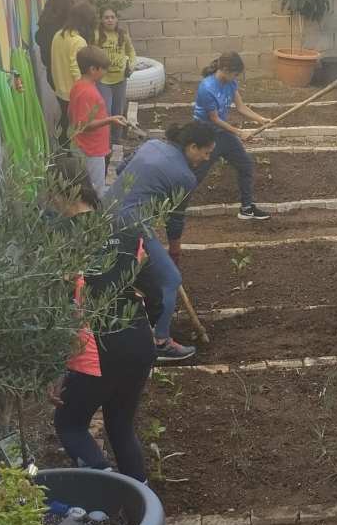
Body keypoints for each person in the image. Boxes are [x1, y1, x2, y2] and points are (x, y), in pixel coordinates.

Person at [49, 154, 162, 482]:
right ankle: (141, 509)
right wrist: (144, 326)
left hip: (97, 349)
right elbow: (155, 292)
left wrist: (55, 368)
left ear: (57, 192)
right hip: (138, 342)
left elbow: (57, 310)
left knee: (69, 424)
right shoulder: (124, 228)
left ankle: (106, 490)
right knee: (121, 426)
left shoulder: (60, 241)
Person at [104, 120, 216, 362]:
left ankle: (131, 328)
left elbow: (123, 170)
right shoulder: (185, 176)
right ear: (192, 147)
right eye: (206, 152)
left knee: (130, 275)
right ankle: (161, 342)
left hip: (108, 211)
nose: (207, 158)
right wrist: (175, 248)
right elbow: (175, 218)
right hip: (130, 225)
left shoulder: (152, 144)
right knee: (170, 279)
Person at [192, 52, 271, 221]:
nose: (236, 78)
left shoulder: (230, 82)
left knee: (245, 165)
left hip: (223, 134)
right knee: (195, 175)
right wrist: (240, 132)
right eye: (235, 74)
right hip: (206, 136)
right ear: (225, 69)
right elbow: (214, 119)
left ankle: (247, 208)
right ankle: (172, 207)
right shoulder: (206, 88)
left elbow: (241, 107)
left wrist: (261, 119)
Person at [68, 46, 128, 198]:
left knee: (90, 187)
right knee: (95, 190)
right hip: (90, 149)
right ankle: (96, 219)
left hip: (87, 145)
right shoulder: (87, 92)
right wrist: (110, 119)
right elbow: (83, 125)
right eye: (103, 69)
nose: (105, 72)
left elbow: (71, 114)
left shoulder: (80, 85)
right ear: (93, 69)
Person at [50, 2, 96, 140]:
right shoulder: (78, 41)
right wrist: (86, 92)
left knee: (65, 125)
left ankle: (65, 155)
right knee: (77, 129)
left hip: (60, 90)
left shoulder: (58, 35)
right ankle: (75, 157)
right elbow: (76, 69)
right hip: (74, 93)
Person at [97, 8, 136, 120]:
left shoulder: (122, 34)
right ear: (101, 20)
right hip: (103, 81)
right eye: (106, 17)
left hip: (120, 79)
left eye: (112, 17)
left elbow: (131, 51)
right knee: (106, 111)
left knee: (118, 111)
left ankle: (116, 137)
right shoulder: (96, 36)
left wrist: (132, 65)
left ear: (117, 19)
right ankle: (106, 137)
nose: (110, 20)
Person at [35, 0, 74, 91]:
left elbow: (39, 40)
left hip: (52, 73)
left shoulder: (45, 23)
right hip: (68, 72)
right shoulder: (66, 27)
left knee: (65, 104)